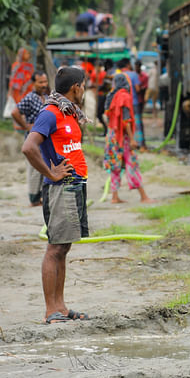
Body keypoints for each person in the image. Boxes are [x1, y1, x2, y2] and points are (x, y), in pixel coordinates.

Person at [21, 67, 92, 324]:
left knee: (64, 247)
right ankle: (50, 310)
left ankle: (60, 307)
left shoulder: (67, 112)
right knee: (54, 248)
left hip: (74, 186)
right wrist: (51, 174)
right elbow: (29, 147)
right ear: (75, 87)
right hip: (60, 188)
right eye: (83, 85)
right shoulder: (50, 113)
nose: (84, 90)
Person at [103, 74, 154, 204]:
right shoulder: (124, 96)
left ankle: (114, 197)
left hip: (111, 136)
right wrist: (132, 139)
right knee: (132, 164)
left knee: (115, 167)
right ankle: (144, 196)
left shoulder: (110, 96)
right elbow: (126, 121)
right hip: (123, 137)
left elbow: (107, 117)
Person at [12, 71, 49, 206]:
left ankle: (41, 196)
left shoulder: (45, 97)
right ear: (34, 83)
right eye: (40, 82)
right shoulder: (30, 97)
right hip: (33, 139)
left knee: (43, 166)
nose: (44, 85)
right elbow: (15, 112)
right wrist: (26, 126)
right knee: (34, 168)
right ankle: (33, 198)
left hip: (44, 139)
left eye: (45, 82)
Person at [115, 59, 145, 148]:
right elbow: (138, 89)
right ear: (128, 65)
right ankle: (138, 143)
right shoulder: (133, 74)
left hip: (120, 102)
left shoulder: (117, 75)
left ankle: (125, 142)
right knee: (136, 123)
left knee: (123, 122)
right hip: (133, 102)